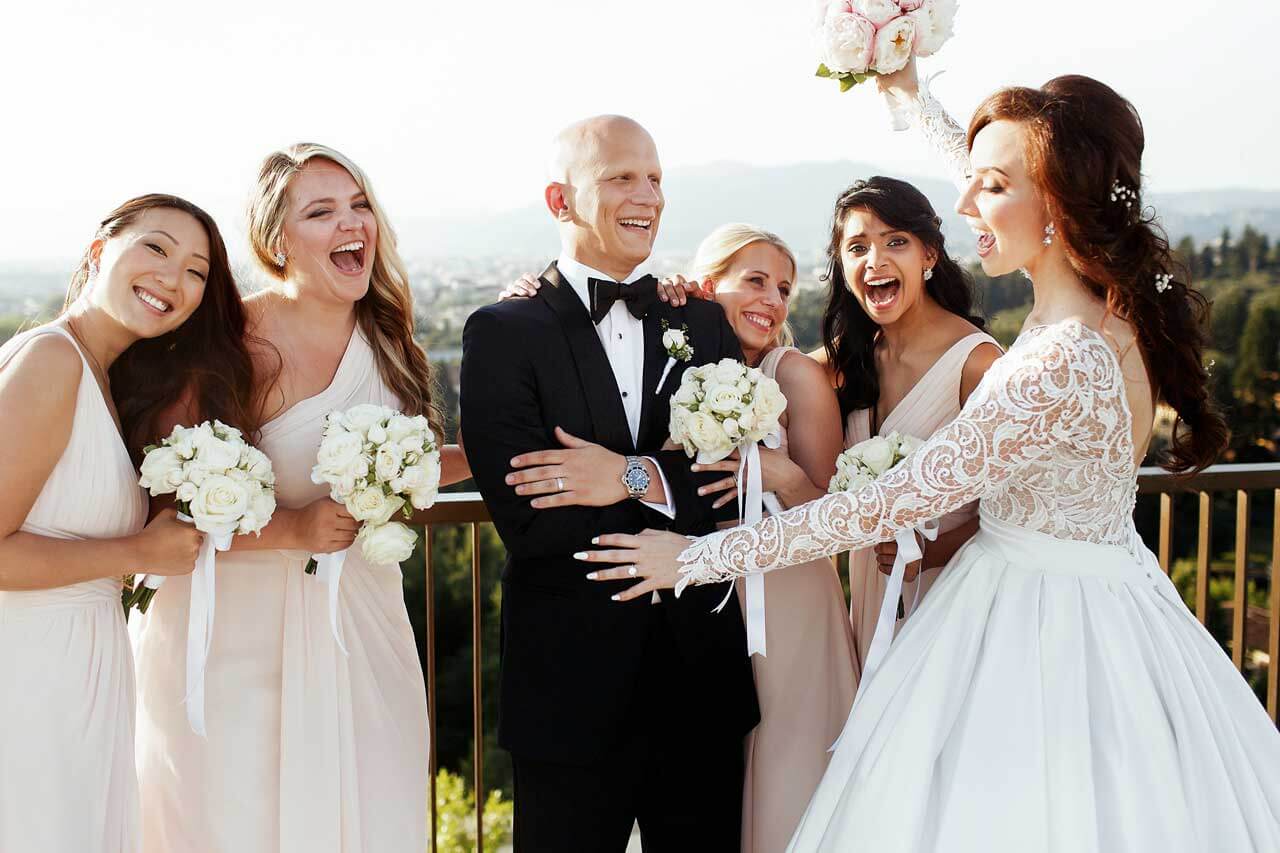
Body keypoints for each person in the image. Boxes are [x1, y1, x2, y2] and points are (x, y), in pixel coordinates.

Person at [582, 76, 1280, 851]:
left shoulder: (1055, 361)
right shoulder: (1104, 298)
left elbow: (885, 504)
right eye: (972, 179)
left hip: (1035, 625)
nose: (968, 202)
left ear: (1056, 203)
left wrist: (694, 557)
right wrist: (912, 94)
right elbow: (993, 173)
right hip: (1112, 589)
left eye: (991, 186)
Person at [132, 145, 447, 853]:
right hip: (234, 639)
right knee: (238, 818)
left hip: (361, 627)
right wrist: (291, 529)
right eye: (322, 210)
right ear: (277, 241)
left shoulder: (388, 337)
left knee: (374, 807)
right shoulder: (227, 343)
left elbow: (417, 460)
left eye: (359, 203)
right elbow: (162, 501)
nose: (352, 223)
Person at [461, 115, 758, 851]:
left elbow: (727, 490)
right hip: (570, 685)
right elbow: (530, 515)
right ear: (560, 200)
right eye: (622, 176)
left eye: (655, 177)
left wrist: (623, 474)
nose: (647, 195)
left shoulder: (709, 325)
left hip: (700, 678)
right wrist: (666, 486)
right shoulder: (503, 331)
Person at [0, 194, 250, 852]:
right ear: (96, 251)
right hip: (31, 680)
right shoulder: (51, 361)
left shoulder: (104, 382)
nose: (174, 277)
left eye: (197, 271)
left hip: (83, 673)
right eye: (157, 248)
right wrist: (135, 548)